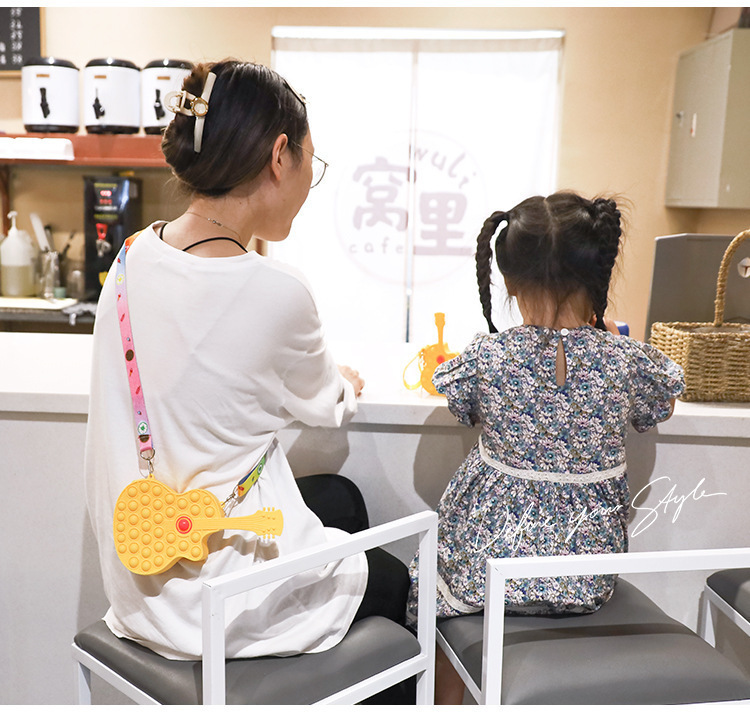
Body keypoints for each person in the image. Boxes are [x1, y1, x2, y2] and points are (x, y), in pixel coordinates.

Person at [84, 60, 409, 665]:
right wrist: (343, 381)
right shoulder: (277, 290)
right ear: (280, 156)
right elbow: (324, 403)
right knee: (395, 581)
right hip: (215, 599)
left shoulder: (128, 260)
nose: (310, 182)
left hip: (142, 578)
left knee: (338, 498)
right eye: (312, 162)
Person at [406, 192, 685, 703]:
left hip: (486, 570)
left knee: (434, 600)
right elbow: (659, 409)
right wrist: (609, 345)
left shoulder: (489, 356)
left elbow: (461, 407)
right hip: (585, 577)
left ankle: (443, 705)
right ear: (597, 272)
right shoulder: (627, 360)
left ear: (510, 282)